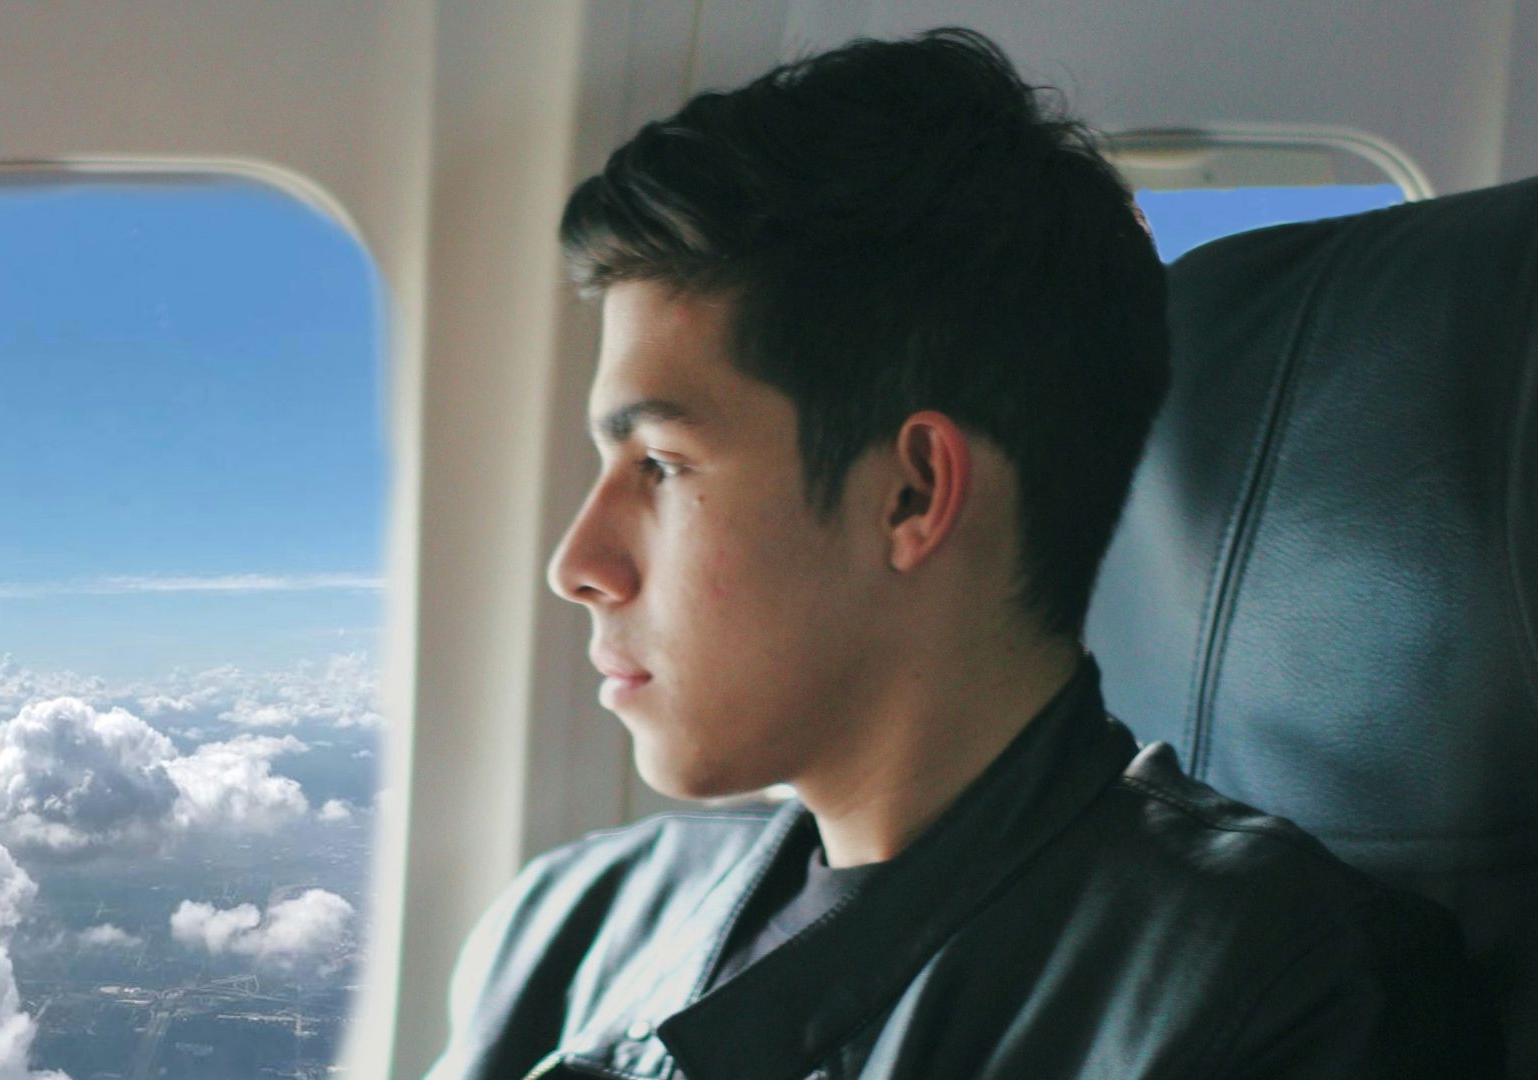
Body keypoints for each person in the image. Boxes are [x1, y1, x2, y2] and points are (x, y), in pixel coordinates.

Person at [427, 27, 1499, 1079]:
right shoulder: (573, 922)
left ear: (913, 494)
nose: (578, 563)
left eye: (661, 464)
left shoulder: (1280, 1000)